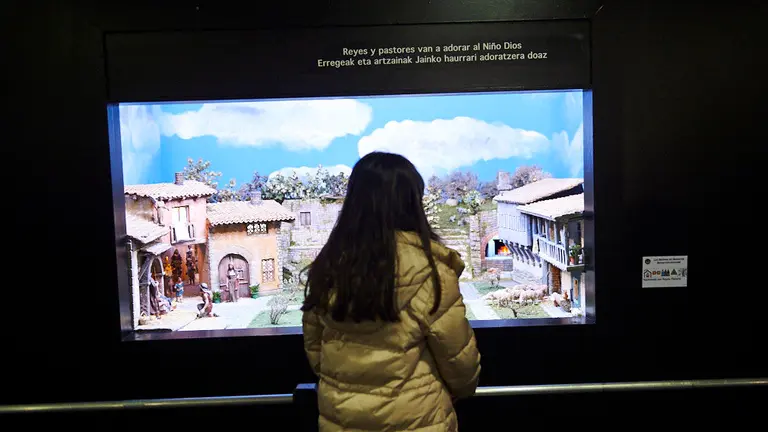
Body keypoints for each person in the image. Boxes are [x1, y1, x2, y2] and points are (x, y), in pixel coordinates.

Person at [301, 152, 481, 432]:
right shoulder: (432, 272)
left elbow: (316, 352)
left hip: (341, 419)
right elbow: (461, 366)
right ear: (412, 204)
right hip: (418, 420)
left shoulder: (328, 268)